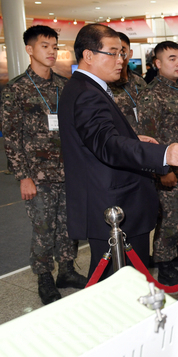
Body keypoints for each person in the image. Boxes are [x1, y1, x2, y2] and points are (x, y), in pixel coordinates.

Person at [58, 23, 178, 282]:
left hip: (110, 200)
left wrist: (133, 139)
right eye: (113, 52)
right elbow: (107, 144)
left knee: (117, 284)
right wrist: (163, 155)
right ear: (89, 55)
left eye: (122, 53)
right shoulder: (87, 93)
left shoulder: (85, 87)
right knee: (119, 286)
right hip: (113, 205)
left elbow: (96, 138)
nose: (121, 60)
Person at [2, 25, 87, 305]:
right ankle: (44, 276)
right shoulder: (16, 90)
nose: (51, 52)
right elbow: (12, 139)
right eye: (44, 46)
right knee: (43, 227)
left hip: (69, 171)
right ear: (29, 49)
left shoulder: (65, 86)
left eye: (54, 46)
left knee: (68, 224)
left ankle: (66, 269)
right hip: (37, 176)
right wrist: (23, 176)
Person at [136, 41, 178, 288]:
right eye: (171, 58)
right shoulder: (151, 94)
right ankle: (164, 264)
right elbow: (148, 139)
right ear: (158, 64)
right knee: (170, 217)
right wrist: (163, 171)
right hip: (169, 168)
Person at [109, 32, 147, 131]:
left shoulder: (139, 81)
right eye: (114, 52)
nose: (119, 56)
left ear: (130, 53)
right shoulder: (105, 84)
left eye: (122, 51)